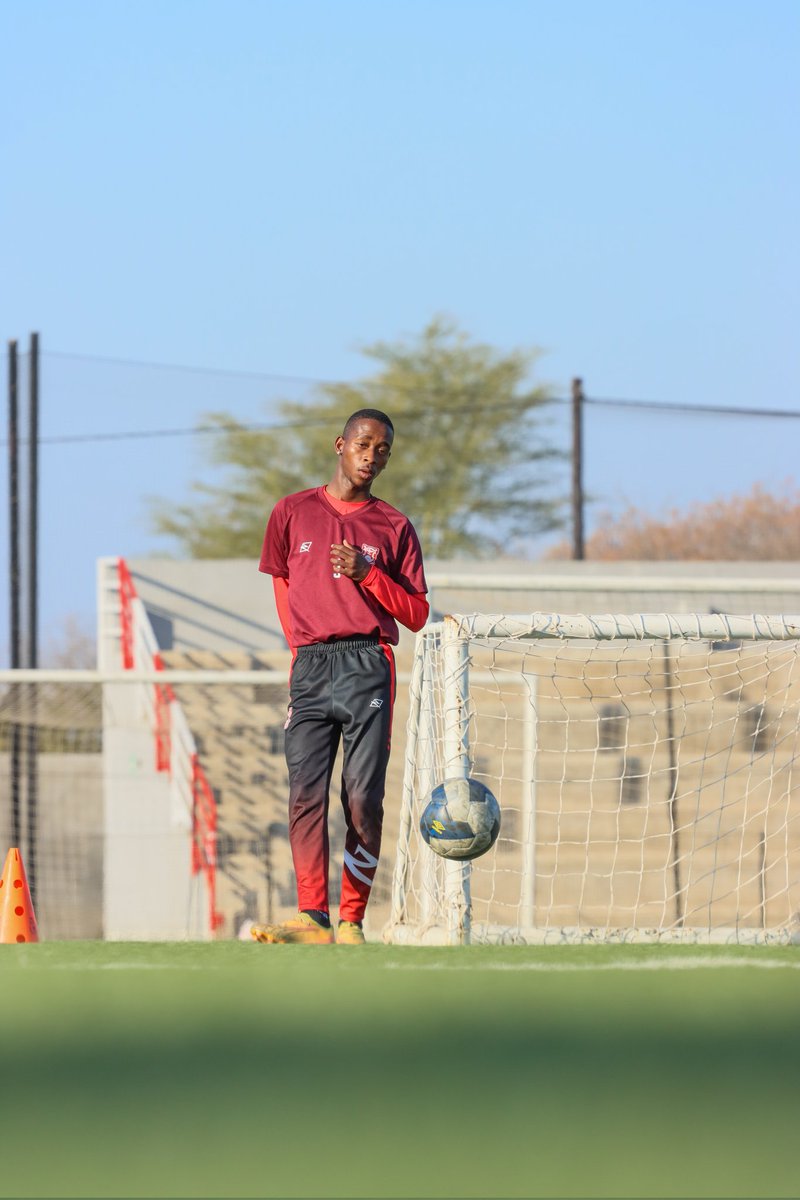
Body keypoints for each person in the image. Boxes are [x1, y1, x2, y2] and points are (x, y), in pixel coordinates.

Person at [252, 408, 428, 944]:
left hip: (367, 665)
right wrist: (298, 642)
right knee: (305, 791)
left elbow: (417, 614)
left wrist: (368, 573)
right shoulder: (291, 511)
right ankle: (313, 917)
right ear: (340, 444)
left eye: (382, 450)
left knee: (361, 796)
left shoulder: (393, 526)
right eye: (363, 444)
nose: (371, 456)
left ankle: (351, 919)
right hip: (310, 667)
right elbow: (281, 579)